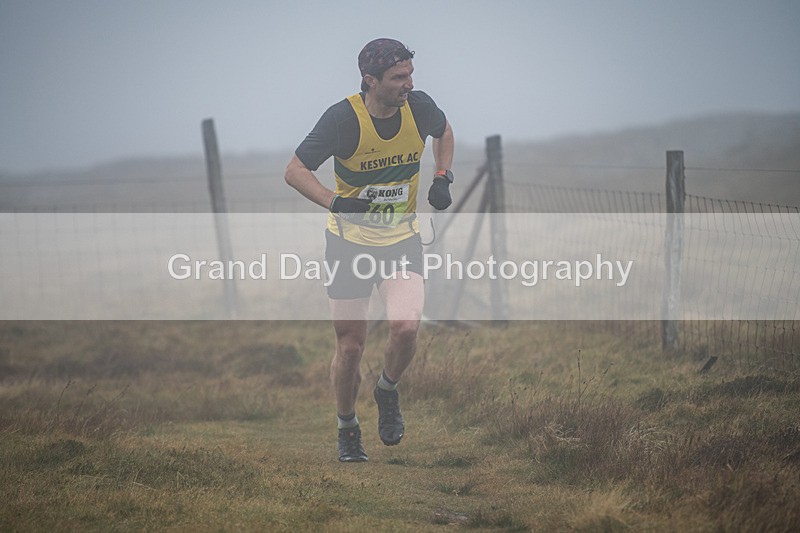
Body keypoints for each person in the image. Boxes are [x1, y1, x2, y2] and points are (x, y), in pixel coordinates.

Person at [284, 38, 455, 462]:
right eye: (399, 78)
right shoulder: (342, 119)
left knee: (406, 327)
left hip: (402, 240)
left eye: (410, 74)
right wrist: (334, 200)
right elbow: (294, 171)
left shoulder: (419, 107)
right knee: (350, 346)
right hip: (348, 246)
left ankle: (387, 390)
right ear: (370, 80)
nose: (408, 84)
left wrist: (442, 177)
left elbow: (445, 131)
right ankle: (347, 428)